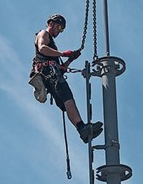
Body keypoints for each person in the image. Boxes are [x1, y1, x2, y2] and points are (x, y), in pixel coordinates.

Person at [30, 13, 103, 143]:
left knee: (66, 101)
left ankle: (82, 129)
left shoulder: (52, 45)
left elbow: (60, 68)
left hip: (51, 74)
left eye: (62, 30)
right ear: (51, 24)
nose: (60, 31)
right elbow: (42, 48)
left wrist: (70, 59)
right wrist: (63, 53)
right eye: (59, 28)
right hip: (49, 73)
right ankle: (82, 129)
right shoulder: (43, 34)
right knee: (68, 98)